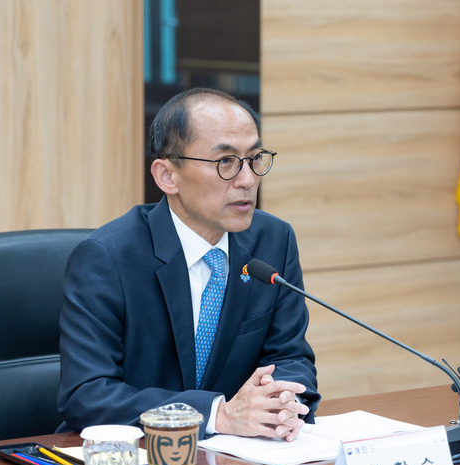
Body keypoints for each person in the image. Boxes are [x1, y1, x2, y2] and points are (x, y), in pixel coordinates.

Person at [57, 87, 320, 441]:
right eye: (225, 162)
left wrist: (283, 403)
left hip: (238, 457)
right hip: (137, 457)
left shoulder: (273, 240)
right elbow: (87, 394)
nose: (247, 179)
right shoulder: (107, 258)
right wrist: (216, 415)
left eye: (254, 158)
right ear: (167, 176)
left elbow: (291, 357)